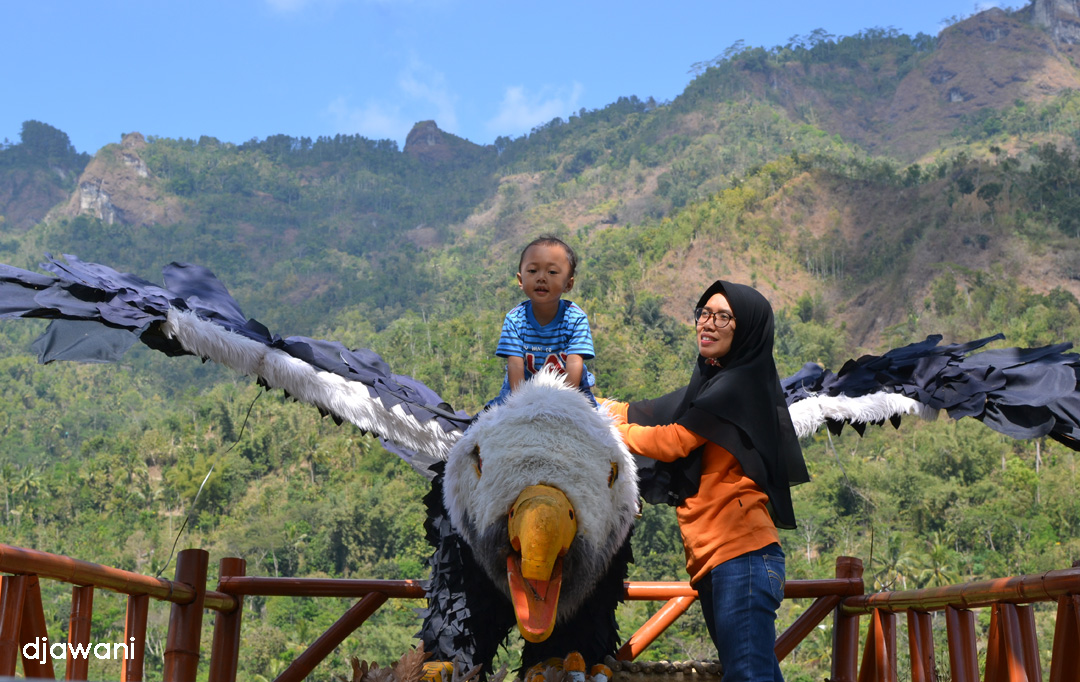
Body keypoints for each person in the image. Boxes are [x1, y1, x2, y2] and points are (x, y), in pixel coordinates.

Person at [603, 280, 809, 682]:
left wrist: (608, 430)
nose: (708, 323)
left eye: (723, 317)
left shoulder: (738, 386)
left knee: (747, 676)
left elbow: (673, 441)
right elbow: (650, 411)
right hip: (718, 561)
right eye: (704, 313)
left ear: (745, 329)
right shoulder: (712, 384)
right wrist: (594, 404)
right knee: (753, 674)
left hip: (741, 557)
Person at [489, 236, 598, 408]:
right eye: (533, 271)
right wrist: (521, 405)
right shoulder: (515, 320)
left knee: (593, 419)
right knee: (488, 418)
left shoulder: (575, 319)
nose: (541, 278)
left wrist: (563, 404)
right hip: (523, 390)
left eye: (552, 272)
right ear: (520, 280)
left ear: (568, 284)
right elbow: (515, 367)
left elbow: (575, 364)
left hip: (571, 391)